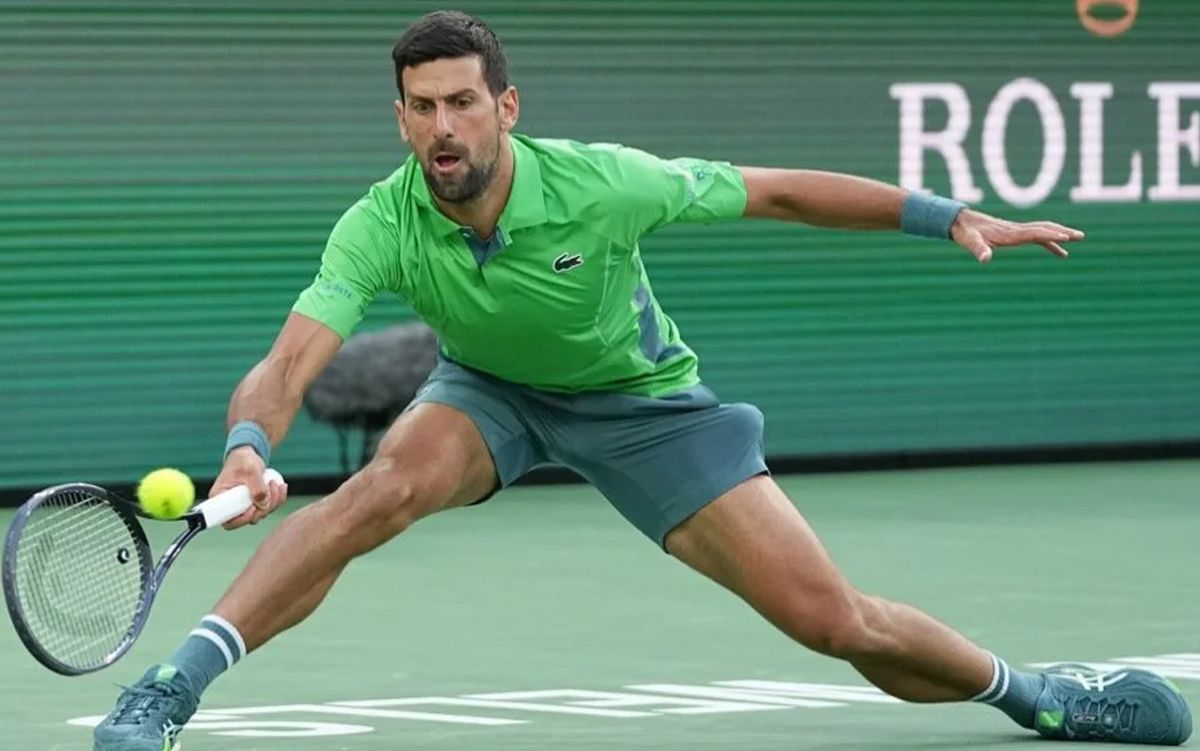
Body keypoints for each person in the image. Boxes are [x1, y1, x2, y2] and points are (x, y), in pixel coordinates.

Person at [92, 10, 1192, 751]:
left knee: (835, 621)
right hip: (490, 393)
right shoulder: (381, 219)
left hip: (648, 411)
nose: (442, 128)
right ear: (400, 118)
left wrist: (944, 215)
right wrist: (247, 446)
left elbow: (777, 192)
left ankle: (1043, 695)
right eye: (421, 107)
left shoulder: (606, 184)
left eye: (462, 103)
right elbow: (293, 358)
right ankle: (167, 692)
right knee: (373, 493)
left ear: (506, 107)